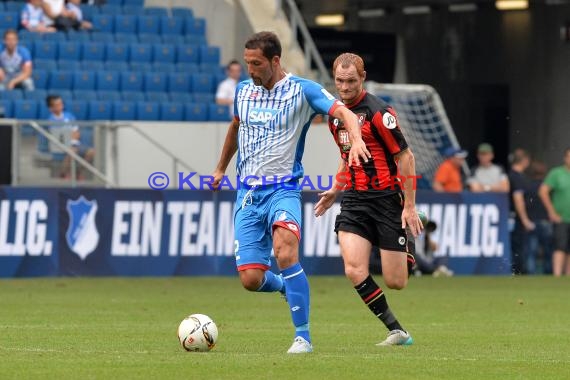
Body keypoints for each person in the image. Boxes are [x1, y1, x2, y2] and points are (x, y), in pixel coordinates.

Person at [211, 32, 370, 354]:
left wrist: (356, 140)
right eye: (247, 64)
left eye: (256, 64)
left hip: (284, 189)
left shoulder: (302, 90)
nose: (250, 70)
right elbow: (235, 127)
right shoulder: (243, 91)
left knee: (285, 253)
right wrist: (219, 169)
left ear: (275, 61)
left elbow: (347, 113)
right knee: (251, 279)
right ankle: (286, 286)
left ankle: (303, 336)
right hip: (247, 193)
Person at [314, 53, 423, 346]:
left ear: (362, 78)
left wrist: (409, 205)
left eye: (351, 81)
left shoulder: (378, 113)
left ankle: (408, 242)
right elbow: (345, 158)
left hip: (387, 199)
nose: (345, 87)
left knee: (396, 281)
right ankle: (396, 330)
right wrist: (335, 189)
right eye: (339, 81)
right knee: (353, 269)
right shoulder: (335, 117)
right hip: (355, 201)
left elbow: (406, 157)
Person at [46, 94, 95, 178]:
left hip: (75, 144)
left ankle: (78, 172)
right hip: (60, 145)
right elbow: (58, 137)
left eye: (61, 103)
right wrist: (69, 136)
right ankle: (63, 173)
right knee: (72, 151)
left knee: (91, 152)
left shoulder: (69, 116)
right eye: (57, 105)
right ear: (51, 108)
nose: (60, 106)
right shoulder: (51, 120)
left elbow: (76, 132)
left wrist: (69, 136)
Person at [539, 148, 570, 276]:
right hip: (561, 217)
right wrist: (552, 212)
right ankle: (557, 275)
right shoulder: (556, 173)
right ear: (565, 158)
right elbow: (543, 191)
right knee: (560, 247)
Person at [525, 160, 553, 274]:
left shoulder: (528, 186)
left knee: (531, 251)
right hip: (545, 219)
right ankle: (548, 272)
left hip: (531, 219)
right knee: (548, 250)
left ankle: (531, 273)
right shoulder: (547, 187)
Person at [508, 148, 532, 274]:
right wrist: (525, 219)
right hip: (517, 218)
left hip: (515, 217)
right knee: (518, 247)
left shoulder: (514, 175)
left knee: (518, 246)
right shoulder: (516, 177)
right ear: (525, 161)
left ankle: (517, 271)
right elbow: (518, 200)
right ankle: (517, 272)